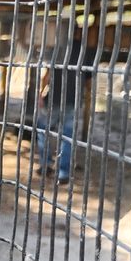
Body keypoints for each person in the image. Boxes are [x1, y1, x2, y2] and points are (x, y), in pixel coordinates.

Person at [36, 36, 92, 185]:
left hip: (54, 99)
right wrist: (86, 98)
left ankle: (46, 164)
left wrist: (41, 93)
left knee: (43, 130)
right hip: (73, 100)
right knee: (67, 137)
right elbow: (88, 79)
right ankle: (63, 173)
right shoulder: (84, 49)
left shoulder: (57, 46)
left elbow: (47, 75)